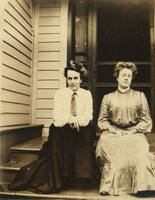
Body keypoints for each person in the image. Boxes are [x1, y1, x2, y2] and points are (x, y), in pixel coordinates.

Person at [8, 60, 94, 193]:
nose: (72, 81)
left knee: (86, 131)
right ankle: (59, 179)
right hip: (63, 128)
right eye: (69, 78)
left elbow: (88, 116)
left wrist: (78, 120)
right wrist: (71, 119)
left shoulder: (86, 95)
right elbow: (57, 117)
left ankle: (80, 177)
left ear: (81, 79)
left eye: (75, 78)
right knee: (59, 135)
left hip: (81, 128)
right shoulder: (60, 94)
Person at [96, 62, 155, 196]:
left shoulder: (139, 96)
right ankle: (109, 187)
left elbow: (146, 119)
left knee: (138, 145)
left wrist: (133, 131)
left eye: (129, 76)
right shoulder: (108, 97)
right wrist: (113, 130)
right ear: (117, 77)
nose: (126, 78)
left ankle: (142, 186)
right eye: (123, 75)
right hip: (113, 133)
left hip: (134, 132)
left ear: (132, 78)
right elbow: (102, 120)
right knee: (105, 143)